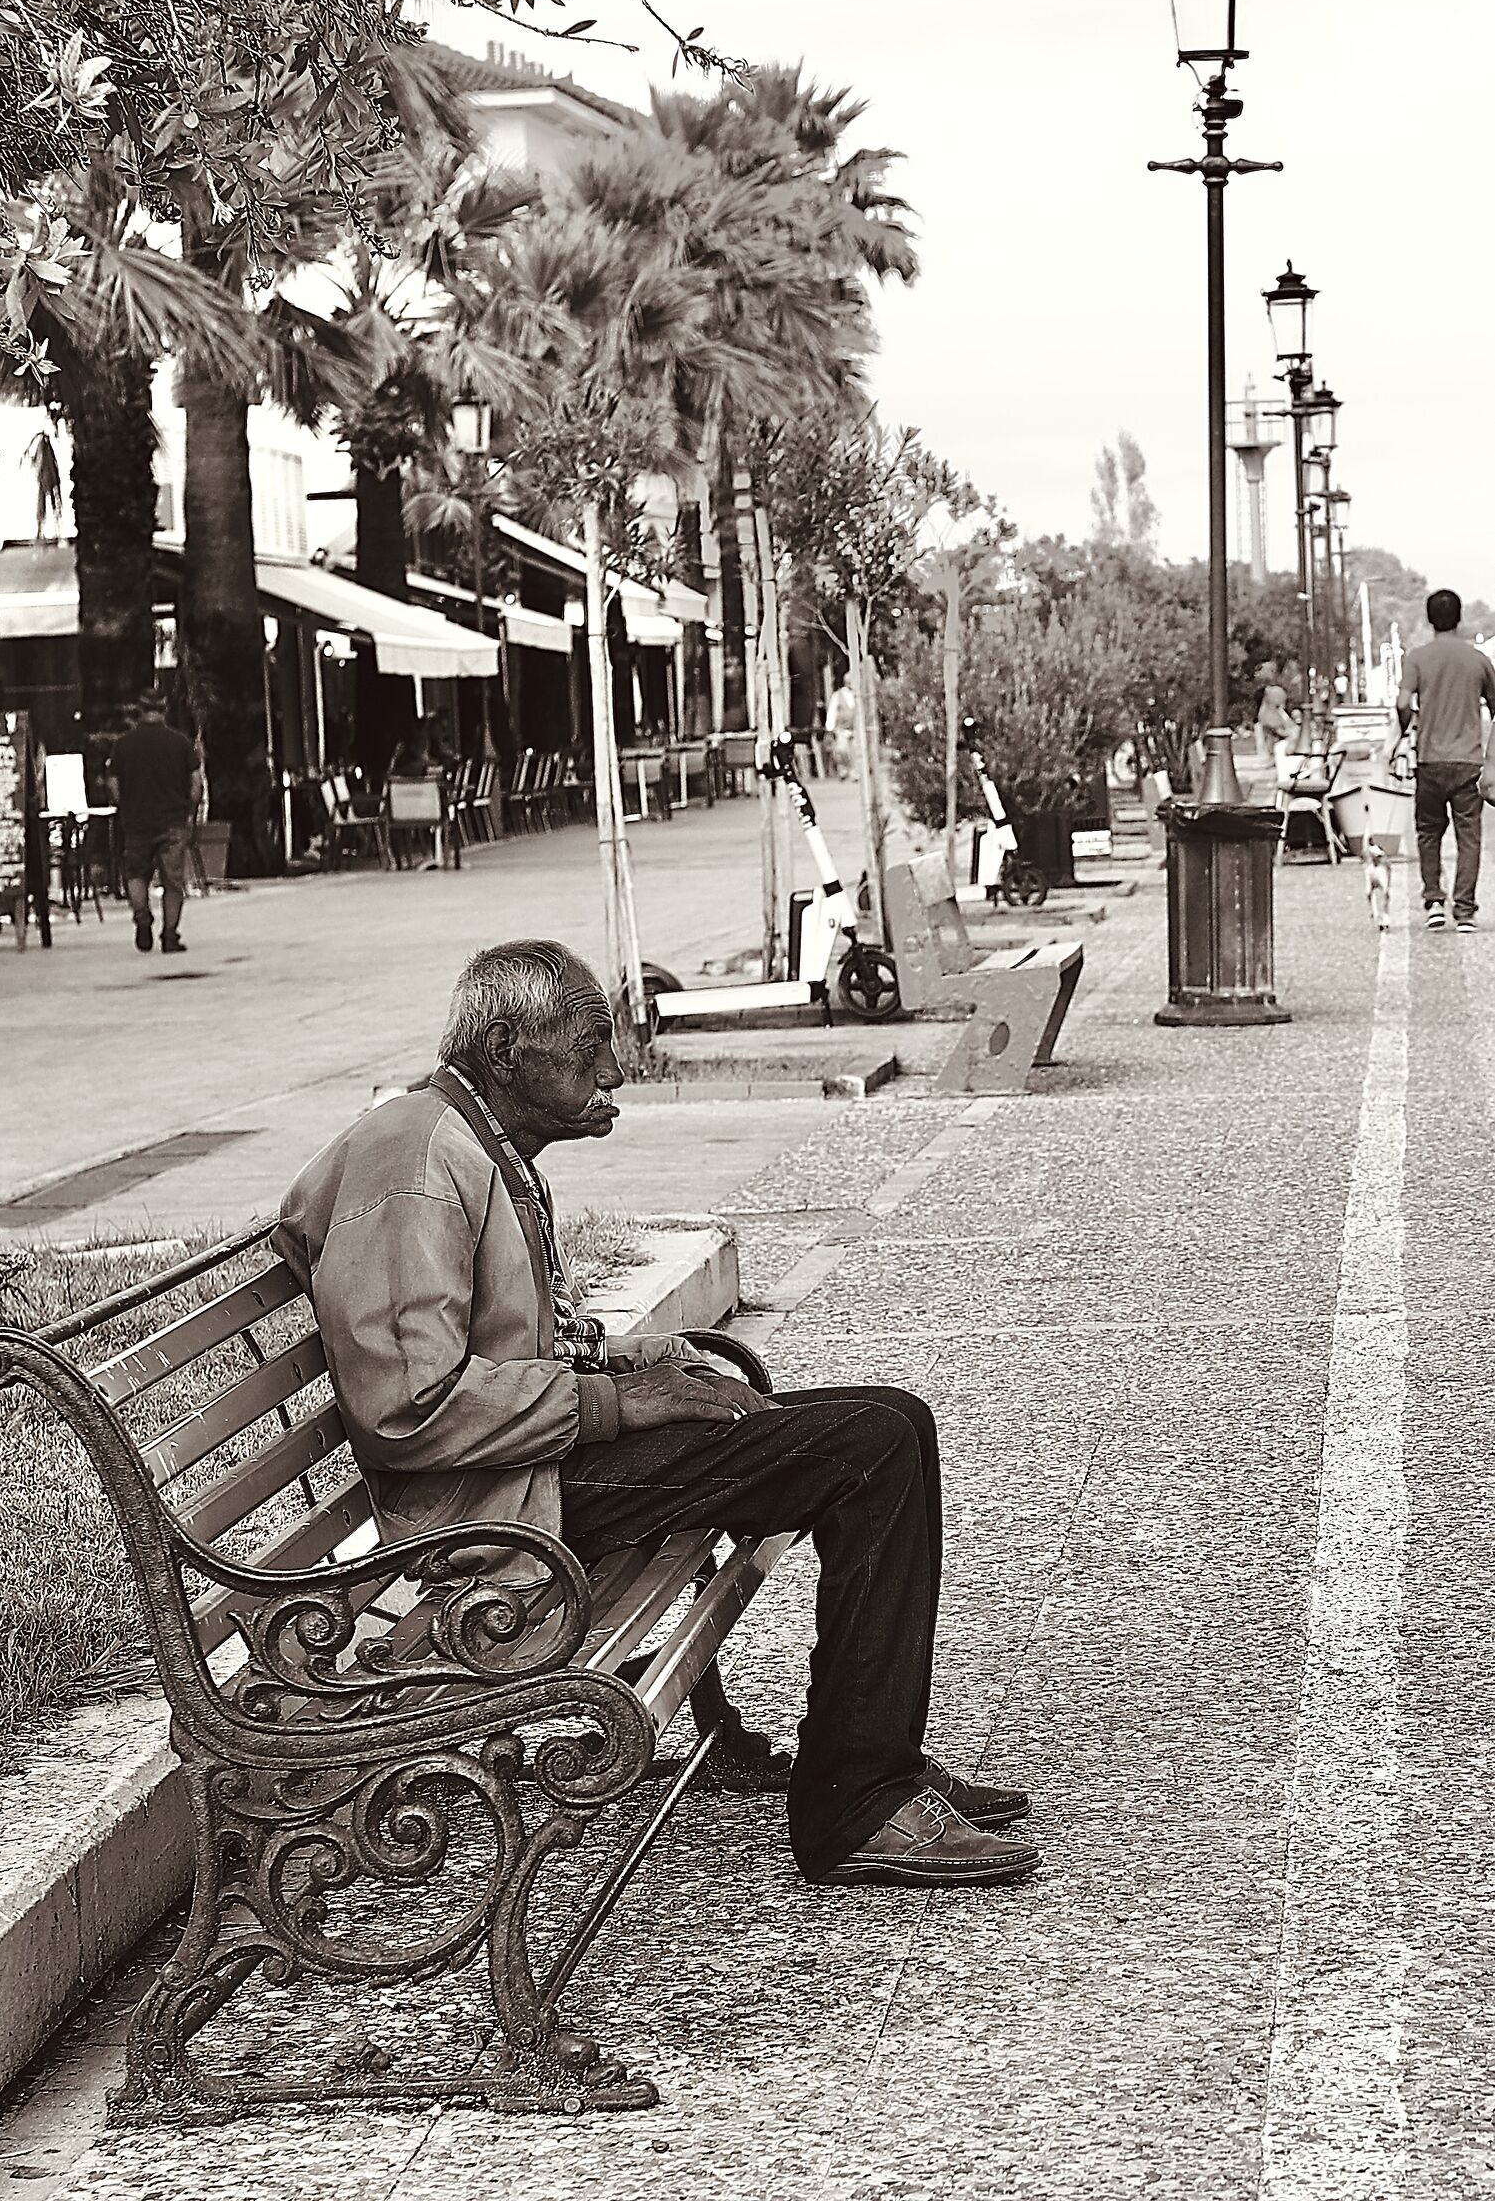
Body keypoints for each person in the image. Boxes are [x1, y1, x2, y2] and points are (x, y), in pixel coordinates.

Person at [276, 939, 1042, 1892]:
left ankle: (867, 1762)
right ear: (509, 1045)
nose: (614, 1068)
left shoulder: (473, 1143)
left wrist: (633, 1361)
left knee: (889, 1424)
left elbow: (503, 1349)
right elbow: (406, 1406)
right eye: (591, 1043)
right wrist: (615, 1401)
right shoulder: (414, 1161)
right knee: (874, 1443)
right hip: (500, 1517)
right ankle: (857, 1800)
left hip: (538, 1477)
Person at [1397, 589, 1495, 931]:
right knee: (1469, 837)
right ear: (1460, 617)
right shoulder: (1478, 660)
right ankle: (1465, 911)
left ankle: (1435, 902)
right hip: (1468, 761)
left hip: (1430, 761)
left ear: (1428, 619)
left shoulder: (1417, 658)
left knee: (1428, 832)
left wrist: (1405, 731)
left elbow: (1402, 702)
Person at [108, 693, 201, 955]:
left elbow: (113, 785)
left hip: (136, 822)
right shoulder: (180, 743)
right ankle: (170, 936)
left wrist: (124, 807)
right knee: (173, 882)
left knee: (136, 874)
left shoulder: (123, 745)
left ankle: (142, 918)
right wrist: (190, 814)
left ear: (140, 710)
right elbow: (196, 785)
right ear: (164, 709)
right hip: (172, 821)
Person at [824, 673, 858, 779]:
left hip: (856, 728)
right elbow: (832, 711)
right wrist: (830, 726)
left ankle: (854, 772)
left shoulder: (858, 694)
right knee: (842, 750)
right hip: (842, 728)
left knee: (855, 751)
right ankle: (843, 769)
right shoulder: (838, 695)